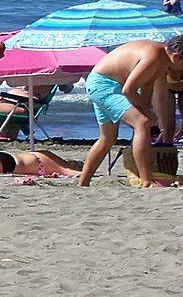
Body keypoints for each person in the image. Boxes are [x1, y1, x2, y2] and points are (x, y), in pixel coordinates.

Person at [77, 36, 182, 187]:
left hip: (101, 83)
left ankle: (83, 183)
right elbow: (129, 90)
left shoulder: (162, 59)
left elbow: (147, 87)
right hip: (105, 85)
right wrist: (146, 116)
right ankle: (147, 181)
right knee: (142, 123)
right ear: (177, 57)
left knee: (107, 139)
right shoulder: (154, 56)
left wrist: (146, 112)